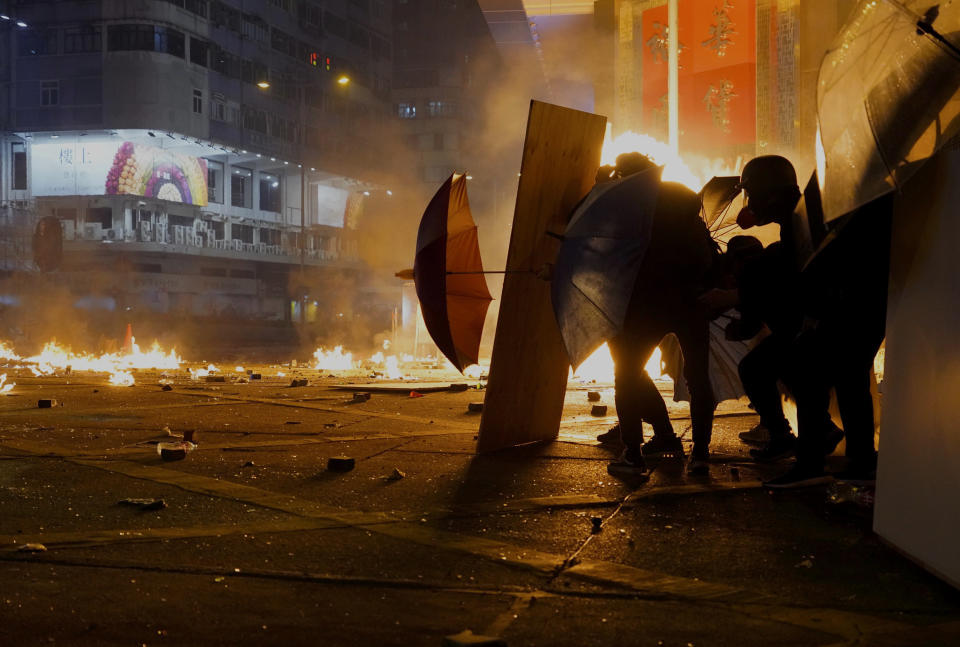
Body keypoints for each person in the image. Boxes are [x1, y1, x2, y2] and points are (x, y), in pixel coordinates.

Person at [702, 155, 888, 487]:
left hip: (849, 311)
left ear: (772, 195)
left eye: (753, 194)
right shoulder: (802, 216)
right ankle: (857, 461)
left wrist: (738, 296)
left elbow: (800, 276)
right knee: (846, 380)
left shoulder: (805, 218)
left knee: (812, 375)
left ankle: (814, 462)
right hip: (852, 311)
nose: (750, 204)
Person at [607, 153, 719, 478]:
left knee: (627, 374)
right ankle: (701, 454)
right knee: (697, 378)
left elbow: (603, 244)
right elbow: (707, 257)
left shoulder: (630, 208)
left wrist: (602, 188)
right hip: (692, 302)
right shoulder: (686, 203)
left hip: (647, 304)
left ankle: (632, 455)